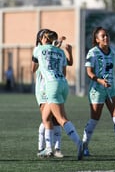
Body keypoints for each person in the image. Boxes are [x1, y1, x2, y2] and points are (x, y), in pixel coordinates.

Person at [31, 29, 83, 160]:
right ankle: (48, 149)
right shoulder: (59, 51)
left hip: (51, 85)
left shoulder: (38, 49)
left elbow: (33, 68)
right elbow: (65, 69)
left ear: (42, 39)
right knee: (46, 118)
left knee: (61, 119)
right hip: (63, 84)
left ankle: (79, 143)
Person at [82, 26, 115, 157]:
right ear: (97, 40)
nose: (106, 37)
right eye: (103, 36)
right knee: (95, 119)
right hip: (97, 90)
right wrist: (100, 81)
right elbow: (89, 73)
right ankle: (84, 146)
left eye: (107, 35)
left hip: (112, 89)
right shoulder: (93, 53)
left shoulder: (114, 52)